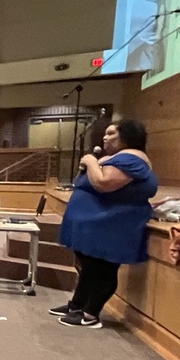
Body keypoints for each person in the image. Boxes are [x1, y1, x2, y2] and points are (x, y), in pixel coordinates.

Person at [53, 120, 158, 328]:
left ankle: (90, 314)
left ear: (127, 137)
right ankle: (77, 305)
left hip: (111, 226)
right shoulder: (119, 158)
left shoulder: (131, 158)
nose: (105, 137)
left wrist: (92, 162)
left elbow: (104, 183)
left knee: (103, 269)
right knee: (89, 267)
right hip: (97, 223)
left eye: (111, 134)